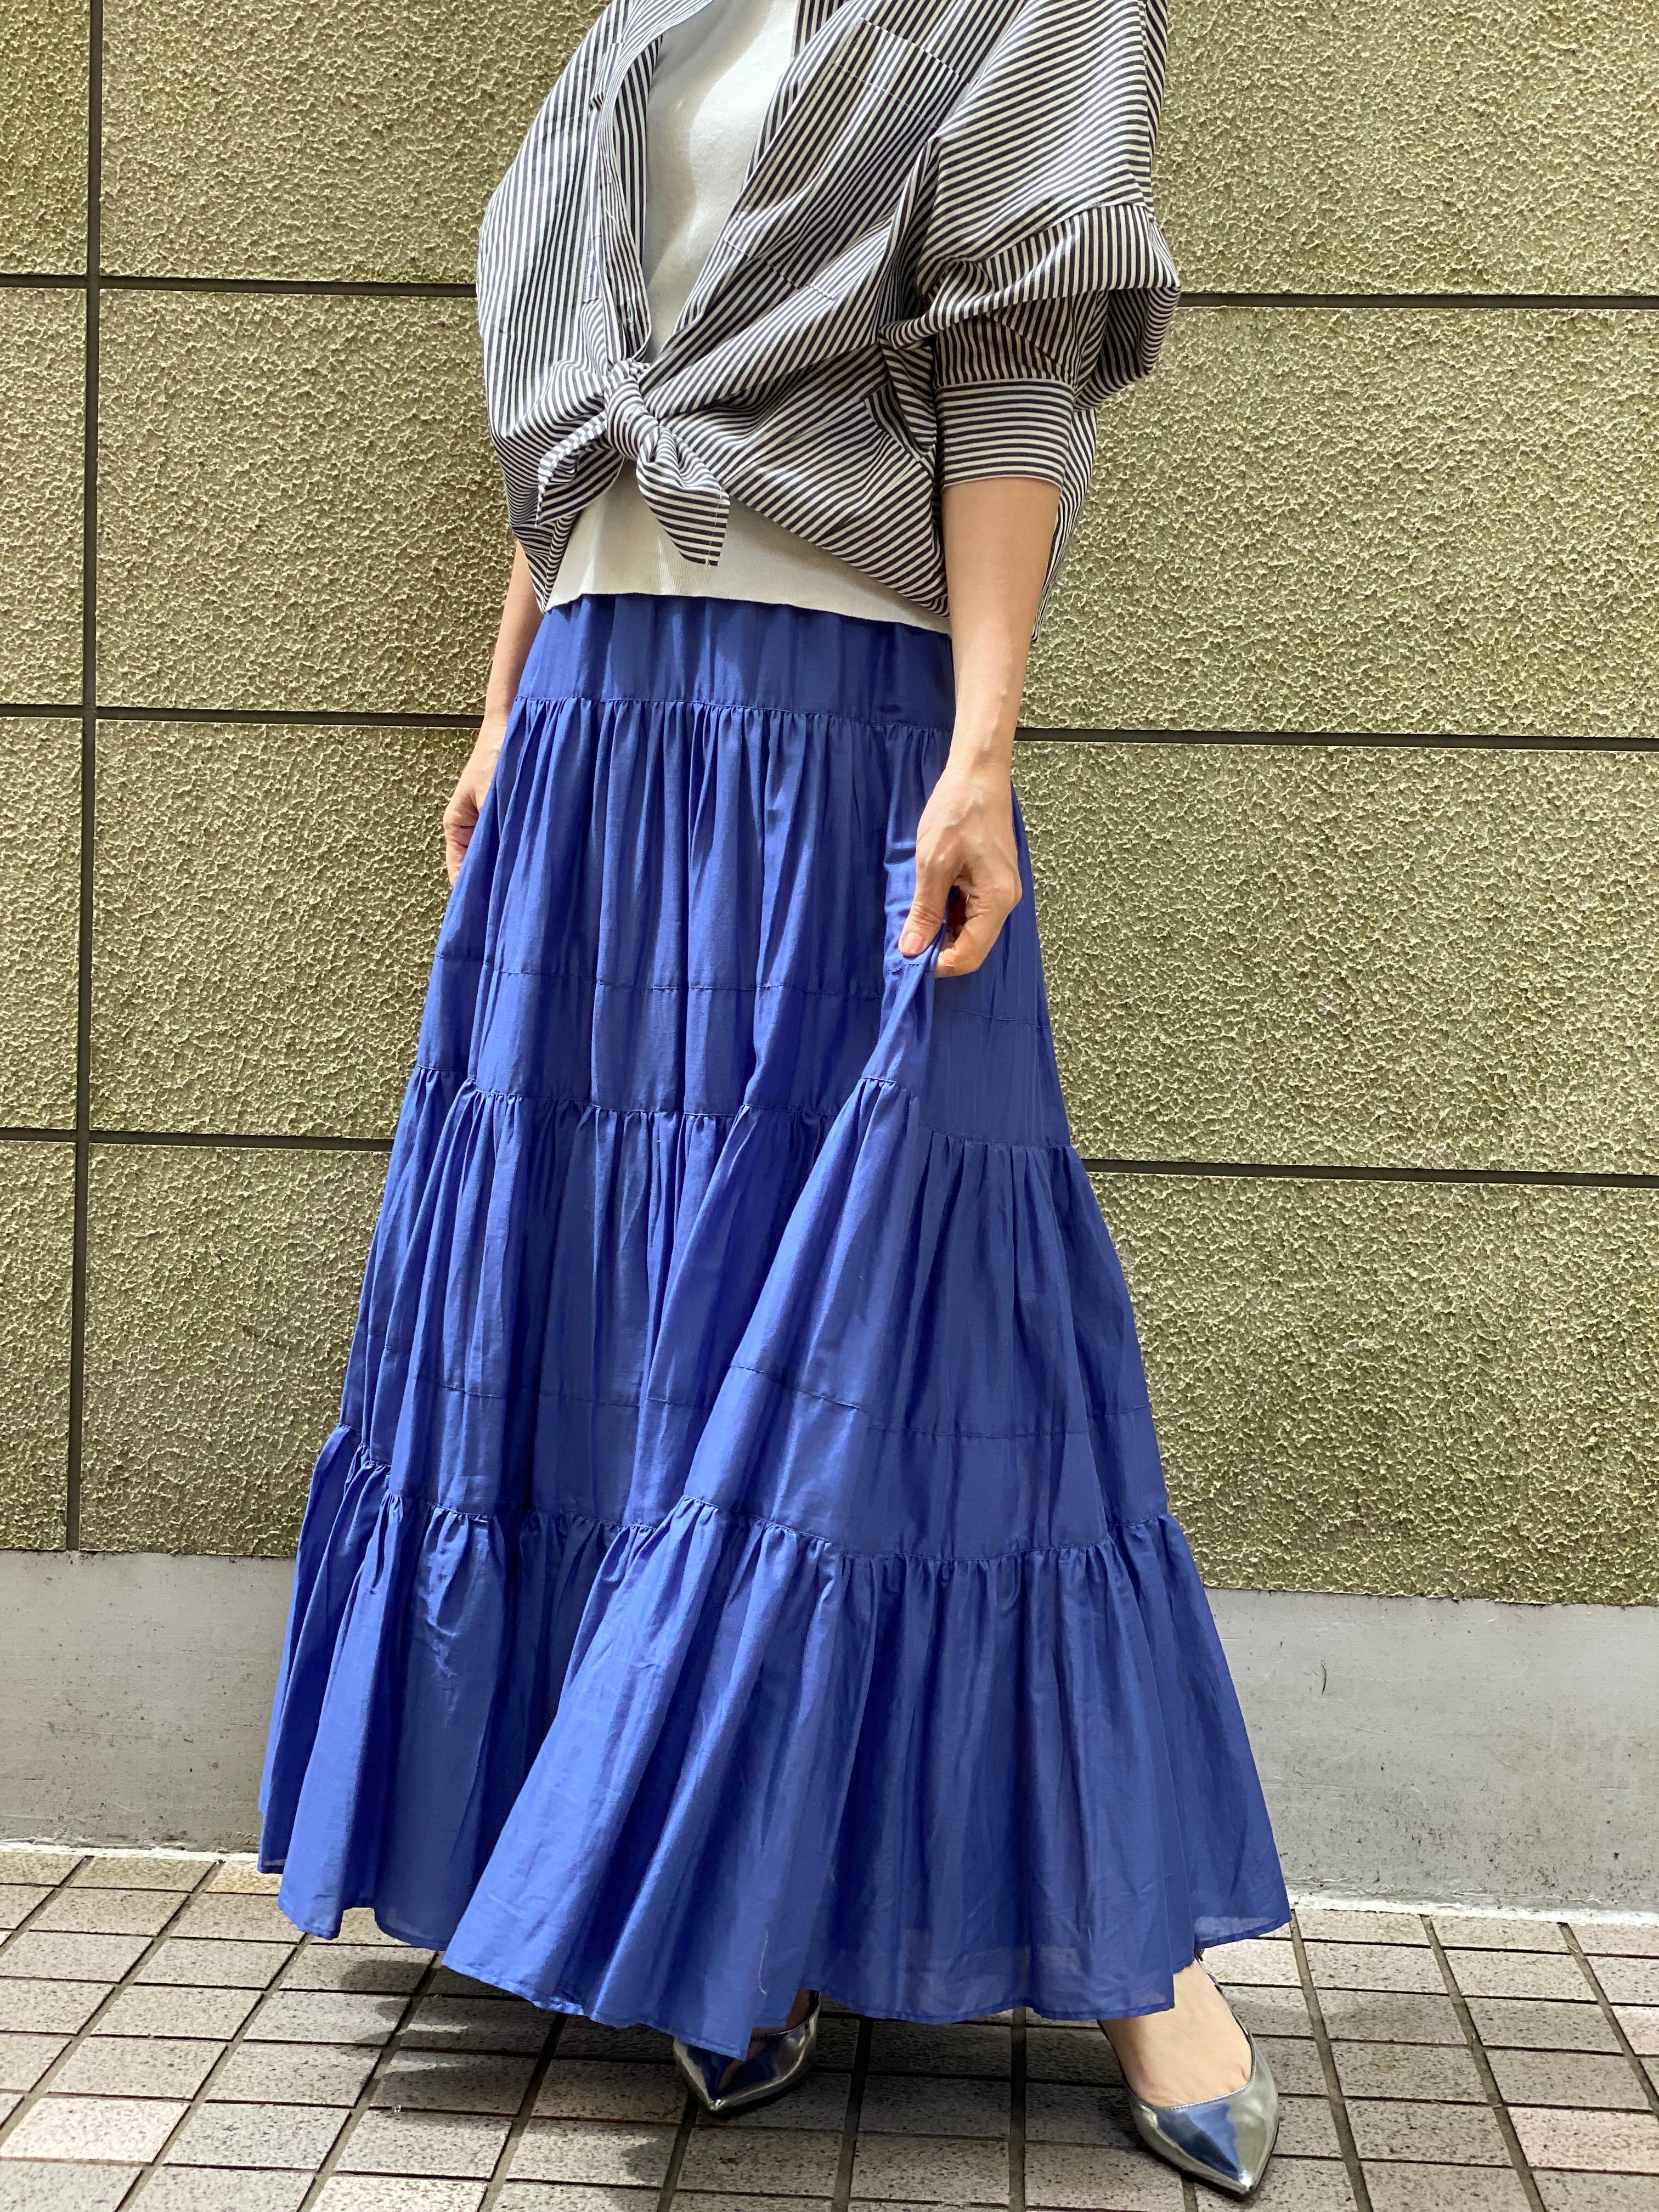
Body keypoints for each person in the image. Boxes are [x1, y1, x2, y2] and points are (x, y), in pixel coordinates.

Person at [258, 0, 1290, 2194]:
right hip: (603, 724)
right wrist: (501, 707)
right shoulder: (649, 20)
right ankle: (729, 1912)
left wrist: (983, 753)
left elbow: (1014, 365)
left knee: (930, 1290)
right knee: (640, 1298)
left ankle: (1142, 1954)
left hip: (842, 724)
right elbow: (584, 419)